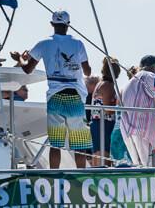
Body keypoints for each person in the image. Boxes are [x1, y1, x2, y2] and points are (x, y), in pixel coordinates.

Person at [9, 10, 93, 168]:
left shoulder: (43, 43)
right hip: (75, 97)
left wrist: (19, 58)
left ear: (52, 24)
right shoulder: (78, 44)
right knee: (79, 145)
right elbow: (87, 71)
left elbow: (27, 69)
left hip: (55, 96)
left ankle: (54, 177)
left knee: (56, 143)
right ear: (68, 25)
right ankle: (82, 176)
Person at [121, 55, 155, 166]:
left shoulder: (130, 81)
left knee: (139, 166)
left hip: (128, 130)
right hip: (142, 130)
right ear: (154, 67)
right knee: (148, 167)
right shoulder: (149, 76)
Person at [90, 57, 121, 167]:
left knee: (98, 155)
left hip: (98, 123)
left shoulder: (101, 83)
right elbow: (109, 110)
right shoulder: (108, 85)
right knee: (103, 157)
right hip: (104, 124)